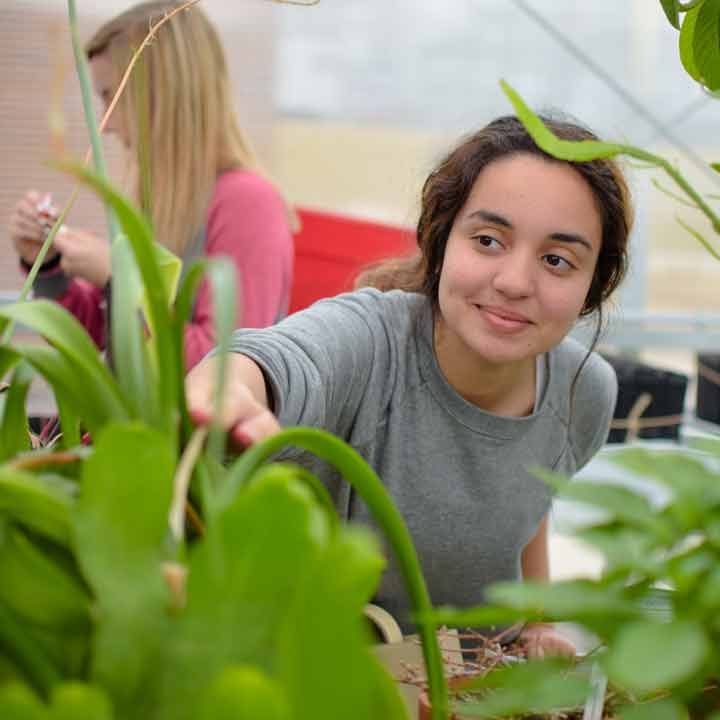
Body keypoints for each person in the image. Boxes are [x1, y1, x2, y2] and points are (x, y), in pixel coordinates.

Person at [185, 115, 631, 656]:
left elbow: (531, 498)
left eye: (557, 260)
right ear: (442, 242)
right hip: (326, 674)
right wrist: (224, 385)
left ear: (592, 286)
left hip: (479, 682)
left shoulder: (585, 390)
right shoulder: (372, 343)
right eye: (488, 240)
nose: (514, 282)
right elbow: (278, 358)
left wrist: (537, 622)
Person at [7, 1, 294, 371]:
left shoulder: (247, 203)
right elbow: (103, 336)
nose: (106, 125)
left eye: (111, 96)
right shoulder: (156, 199)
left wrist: (118, 279)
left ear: (164, 94)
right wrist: (46, 266)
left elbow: (225, 374)